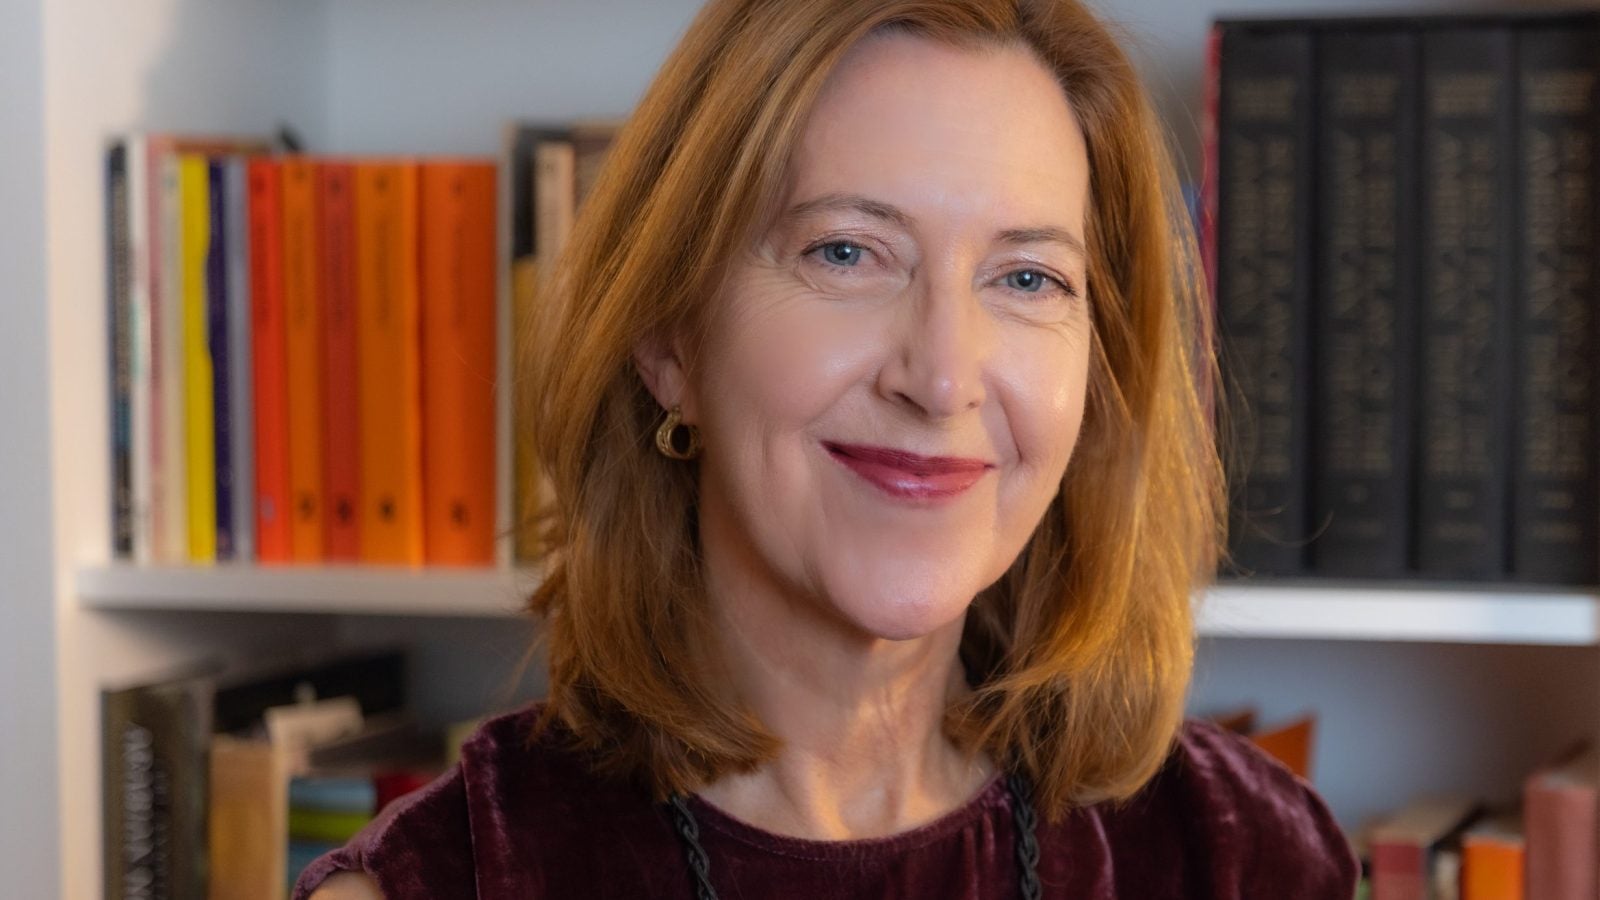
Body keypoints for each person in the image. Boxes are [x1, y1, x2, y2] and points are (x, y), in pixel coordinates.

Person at [299, 0, 1359, 896]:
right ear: (668, 337)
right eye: (847, 252)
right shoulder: (451, 876)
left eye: (1026, 278)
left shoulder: (1240, 855)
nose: (940, 377)